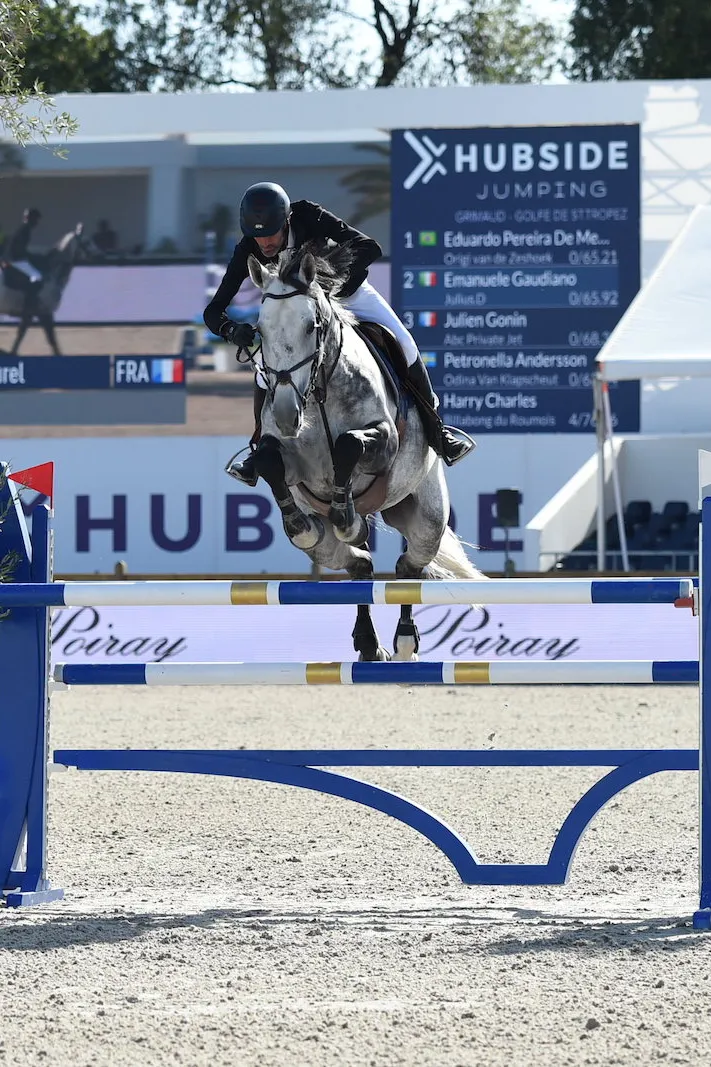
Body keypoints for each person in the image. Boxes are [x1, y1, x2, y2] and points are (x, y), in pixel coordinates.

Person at [203, 182, 475, 486]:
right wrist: (230, 329)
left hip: (348, 293)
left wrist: (328, 285)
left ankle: (438, 432)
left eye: (271, 232)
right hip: (296, 313)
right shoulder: (248, 248)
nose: (264, 243)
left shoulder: (309, 215)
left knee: (405, 344)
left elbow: (369, 247)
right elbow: (213, 310)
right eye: (257, 235)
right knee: (264, 372)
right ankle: (257, 449)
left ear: (287, 221)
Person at [3, 207, 44, 315]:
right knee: (37, 277)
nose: (37, 223)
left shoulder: (23, 229)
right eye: (36, 220)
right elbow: (19, 250)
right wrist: (32, 257)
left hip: (15, 259)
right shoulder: (24, 230)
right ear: (31, 219)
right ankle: (28, 306)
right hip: (16, 261)